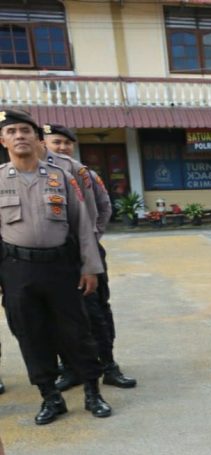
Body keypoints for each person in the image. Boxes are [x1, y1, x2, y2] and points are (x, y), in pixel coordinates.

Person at [0, 109, 111, 424]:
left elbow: (83, 224)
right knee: (30, 334)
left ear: (37, 139)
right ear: (3, 140)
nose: (20, 136)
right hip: (17, 269)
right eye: (12, 131)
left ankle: (93, 393)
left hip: (61, 267)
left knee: (77, 331)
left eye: (26, 130)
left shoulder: (61, 177)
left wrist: (89, 267)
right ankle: (50, 397)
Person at [42, 124, 136, 390]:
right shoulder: (39, 174)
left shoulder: (83, 173)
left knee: (97, 312)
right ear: (43, 143)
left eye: (66, 143)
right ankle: (71, 369)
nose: (62, 147)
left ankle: (109, 366)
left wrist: (92, 238)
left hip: (86, 252)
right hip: (51, 257)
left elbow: (105, 206)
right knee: (58, 313)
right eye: (56, 142)